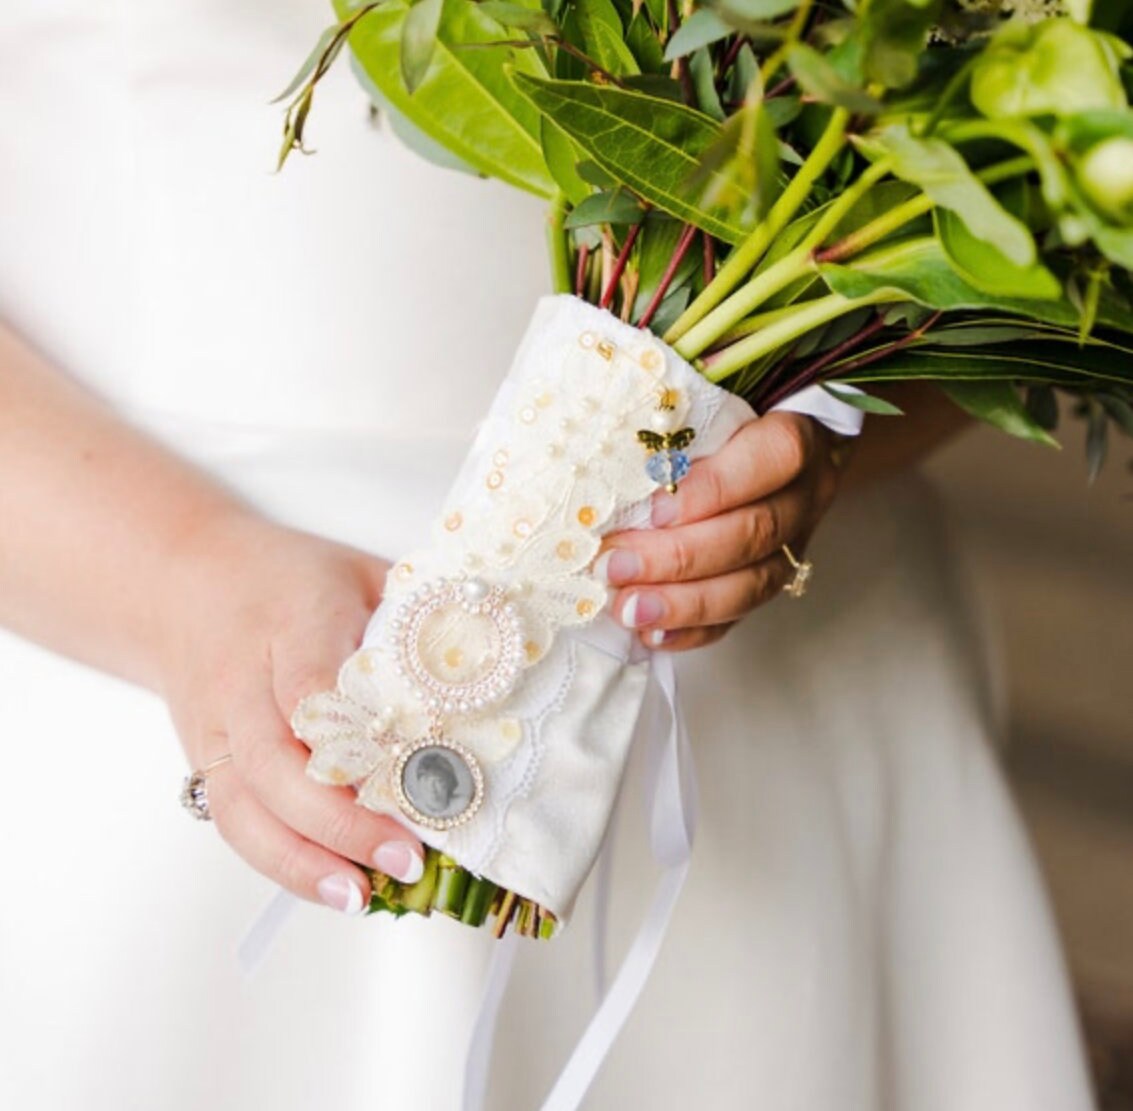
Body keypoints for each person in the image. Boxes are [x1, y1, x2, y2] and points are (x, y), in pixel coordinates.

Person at [0, 4, 1096, 1110]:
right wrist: (185, 584)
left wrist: (819, 440)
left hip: (789, 664)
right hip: (155, 594)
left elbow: (1043, 229)